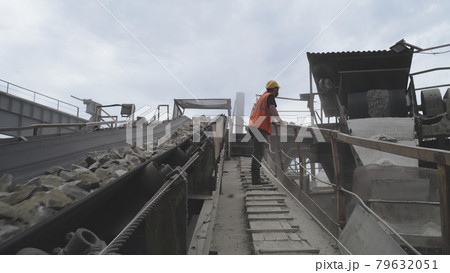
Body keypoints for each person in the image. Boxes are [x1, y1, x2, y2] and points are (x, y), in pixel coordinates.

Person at [248, 80, 282, 185]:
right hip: (259, 128)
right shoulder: (269, 96)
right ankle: (256, 180)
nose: (277, 92)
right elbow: (272, 108)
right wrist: (278, 120)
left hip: (253, 126)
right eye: (277, 89)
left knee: (257, 152)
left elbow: (263, 114)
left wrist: (272, 123)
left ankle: (256, 178)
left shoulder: (262, 97)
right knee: (258, 153)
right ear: (274, 89)